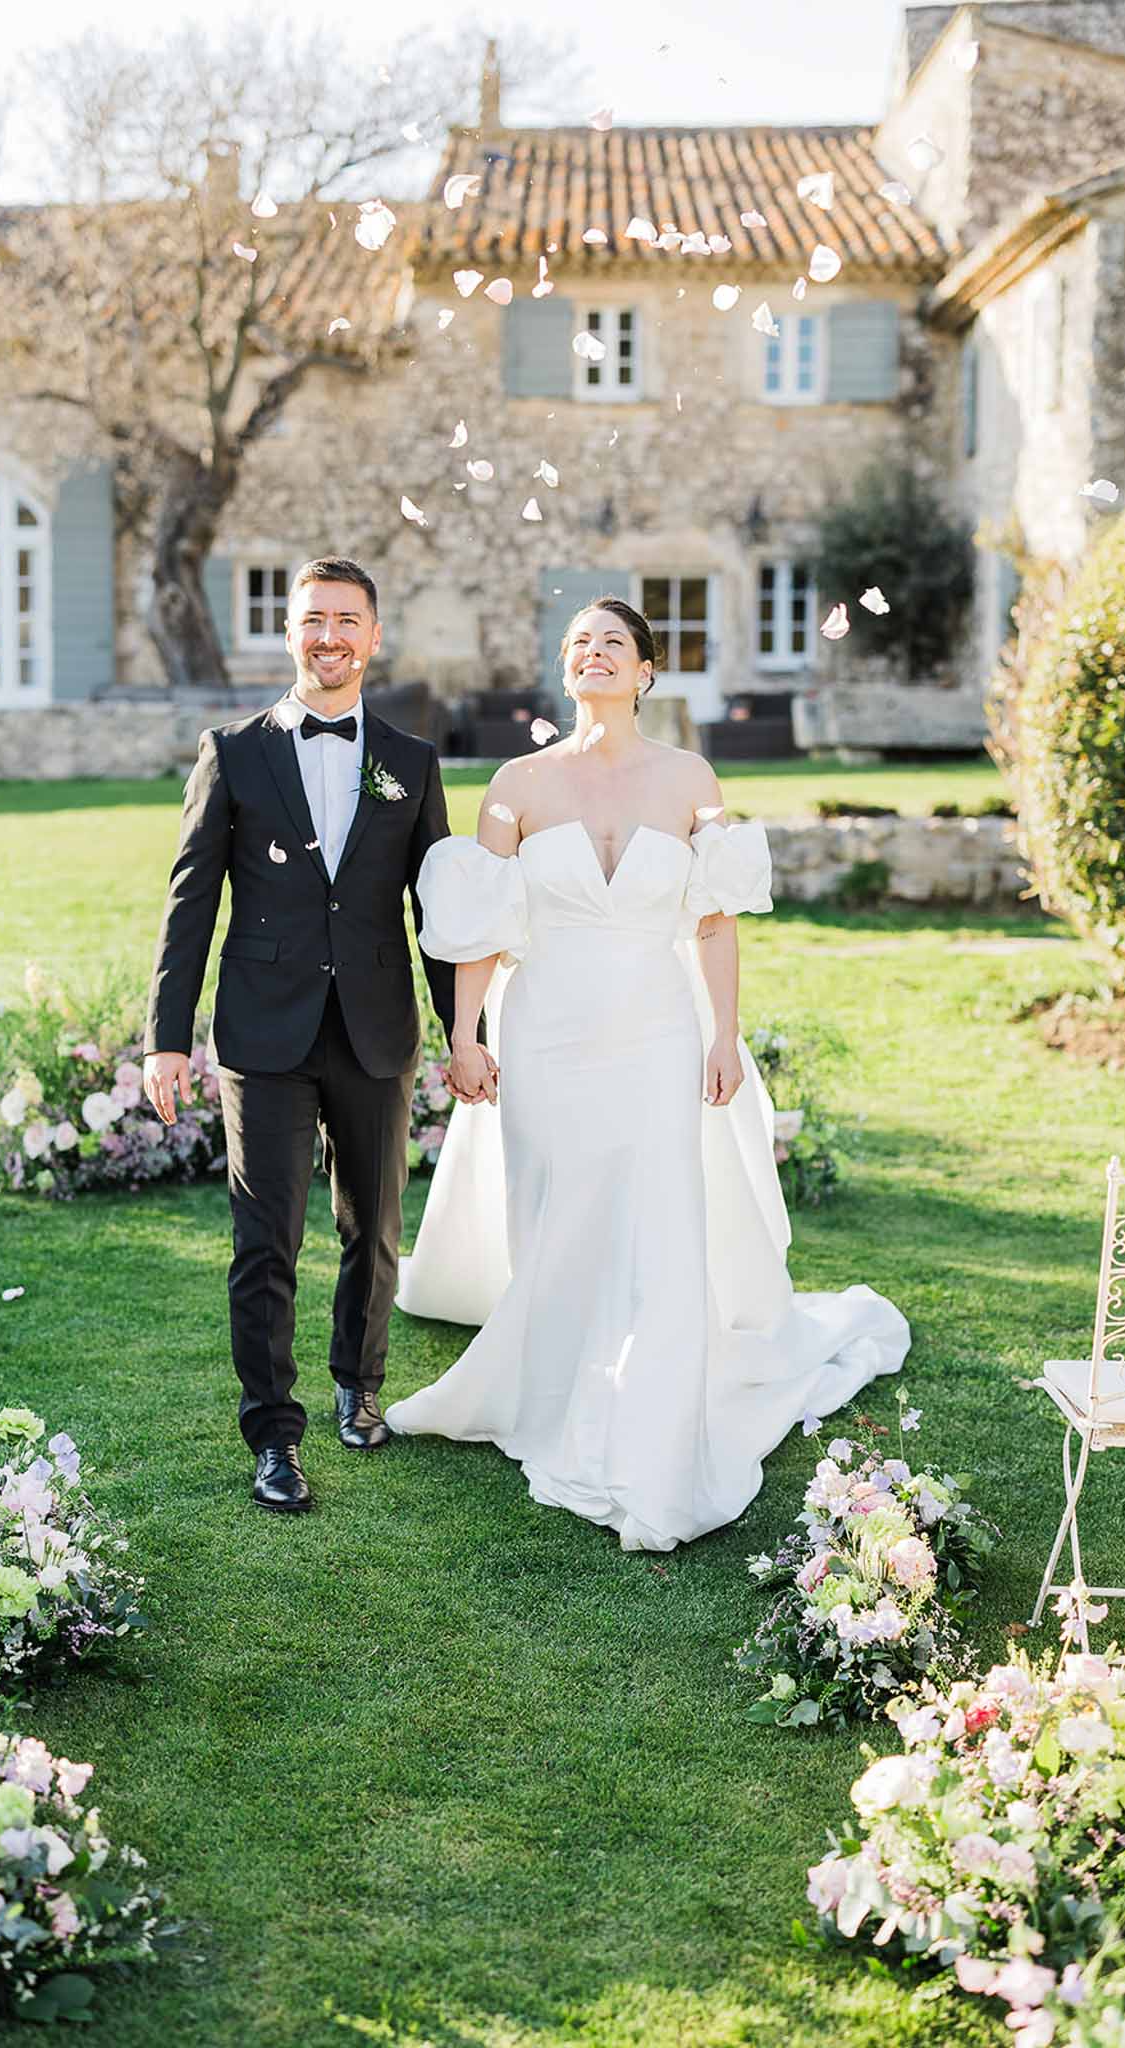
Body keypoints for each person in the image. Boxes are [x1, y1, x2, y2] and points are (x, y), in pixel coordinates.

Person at [385, 596, 911, 1551]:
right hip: (545, 1027)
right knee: (557, 1205)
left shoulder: (691, 777)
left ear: (645, 672)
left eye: (613, 644)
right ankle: (556, 1385)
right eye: (580, 643)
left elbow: (714, 917)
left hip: (659, 1026)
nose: (594, 654)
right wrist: (464, 1035)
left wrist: (725, 1036)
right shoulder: (516, 783)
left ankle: (656, 1407)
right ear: (566, 666)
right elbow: (480, 925)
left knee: (661, 1211)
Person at [142, 557, 492, 1515]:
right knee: (266, 1240)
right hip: (264, 1033)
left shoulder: (412, 764)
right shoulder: (233, 750)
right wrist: (166, 1036)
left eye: (347, 620)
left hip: (376, 1027)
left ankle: (359, 1383)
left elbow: (440, 913)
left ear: (374, 637)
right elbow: (190, 901)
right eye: (313, 620)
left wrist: (468, 1032)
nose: (329, 636)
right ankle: (274, 1435)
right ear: (289, 633)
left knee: (373, 1232)